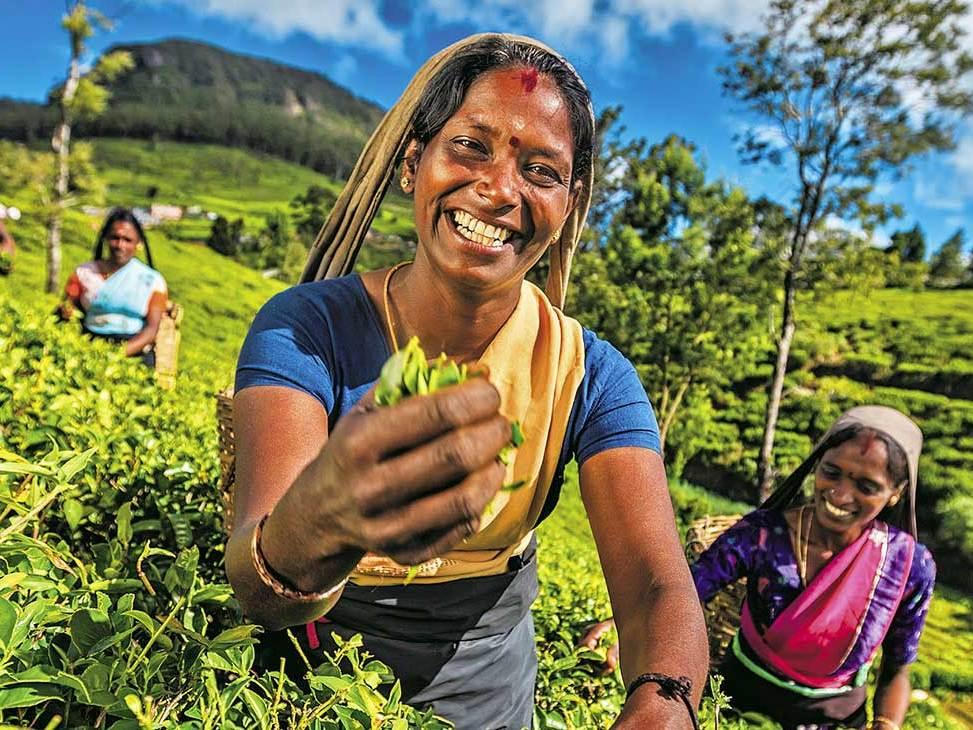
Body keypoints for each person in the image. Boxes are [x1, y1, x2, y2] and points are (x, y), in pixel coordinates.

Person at [226, 33, 707, 729]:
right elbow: (259, 589)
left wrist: (664, 700)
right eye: (470, 147)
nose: (498, 188)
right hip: (302, 672)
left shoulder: (590, 376)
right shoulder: (306, 328)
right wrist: (323, 518)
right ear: (413, 163)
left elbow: (654, 582)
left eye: (541, 170)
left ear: (569, 202)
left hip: (481, 688)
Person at [581, 406, 935, 730]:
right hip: (739, 704)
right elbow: (688, 588)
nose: (841, 495)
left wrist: (886, 724)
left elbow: (897, 668)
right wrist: (623, 626)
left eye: (866, 486)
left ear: (896, 493)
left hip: (834, 719)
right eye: (832, 473)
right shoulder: (764, 534)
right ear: (817, 464)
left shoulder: (908, 567)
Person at [58, 208, 168, 366]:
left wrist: (116, 354)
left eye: (127, 240)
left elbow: (152, 329)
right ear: (105, 238)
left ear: (138, 243)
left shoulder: (152, 280)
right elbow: (68, 307)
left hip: (134, 352)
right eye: (114, 238)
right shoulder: (84, 273)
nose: (120, 245)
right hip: (89, 346)